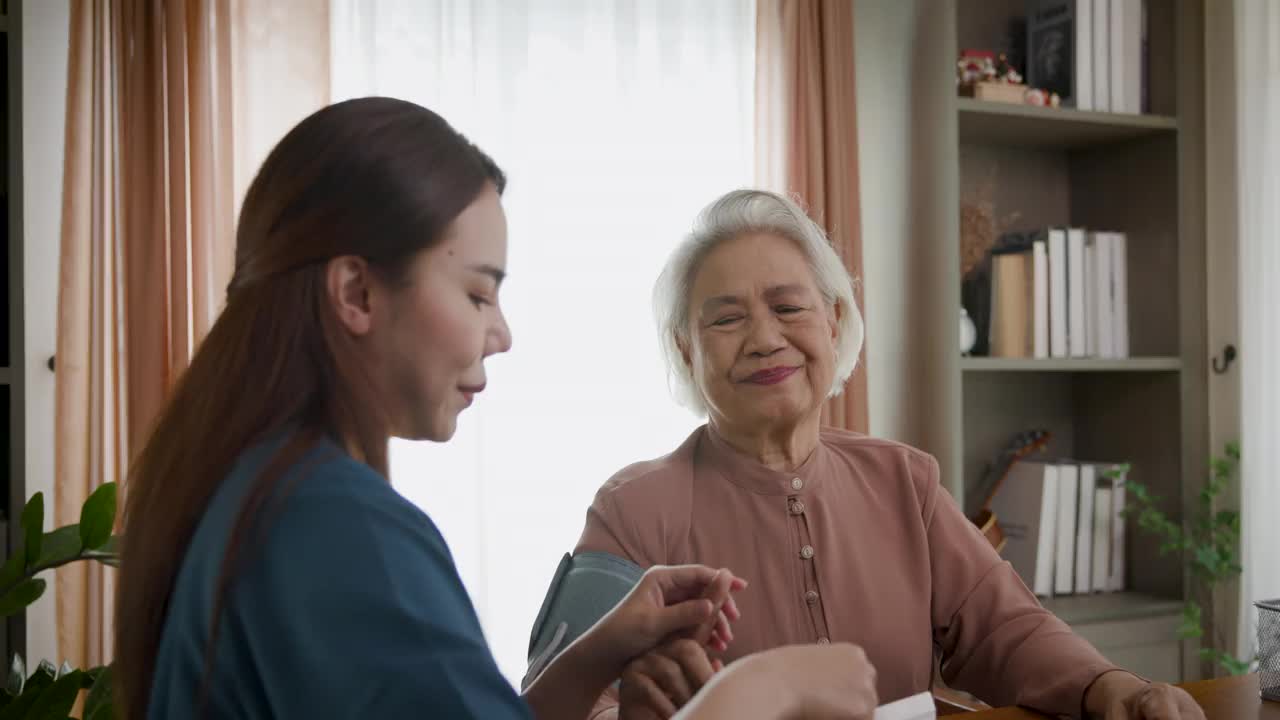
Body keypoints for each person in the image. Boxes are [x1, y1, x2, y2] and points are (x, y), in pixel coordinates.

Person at [112, 99, 878, 720]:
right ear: (355, 293)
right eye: (478, 291)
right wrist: (759, 693)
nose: (502, 333)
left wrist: (593, 655)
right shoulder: (334, 528)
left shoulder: (257, 489)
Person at [556, 189, 1207, 720]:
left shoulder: (904, 479)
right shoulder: (630, 511)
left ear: (833, 323)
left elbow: (1005, 630)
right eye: (725, 320)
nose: (763, 338)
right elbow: (563, 698)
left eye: (788, 306)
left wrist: (1104, 685)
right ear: (683, 350)